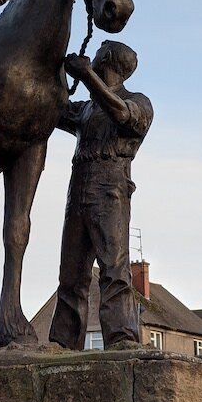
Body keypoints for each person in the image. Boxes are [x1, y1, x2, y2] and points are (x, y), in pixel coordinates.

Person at [48, 40, 154, 350]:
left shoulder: (138, 101)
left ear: (106, 59)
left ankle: (121, 338)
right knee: (70, 276)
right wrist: (56, 68)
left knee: (114, 269)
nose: (91, 58)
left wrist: (87, 77)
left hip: (110, 190)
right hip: (77, 190)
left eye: (97, 54)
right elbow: (55, 108)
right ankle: (64, 343)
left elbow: (122, 115)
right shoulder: (87, 108)